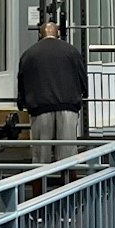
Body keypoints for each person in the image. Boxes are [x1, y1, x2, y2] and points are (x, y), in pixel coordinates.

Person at [17, 20, 87, 166]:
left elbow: (22, 80)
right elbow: (82, 77)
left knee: (41, 156)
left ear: (40, 35)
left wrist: (22, 101)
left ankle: (39, 187)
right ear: (59, 34)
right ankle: (68, 185)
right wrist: (83, 93)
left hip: (40, 107)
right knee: (68, 156)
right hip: (68, 107)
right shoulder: (72, 51)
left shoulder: (29, 54)